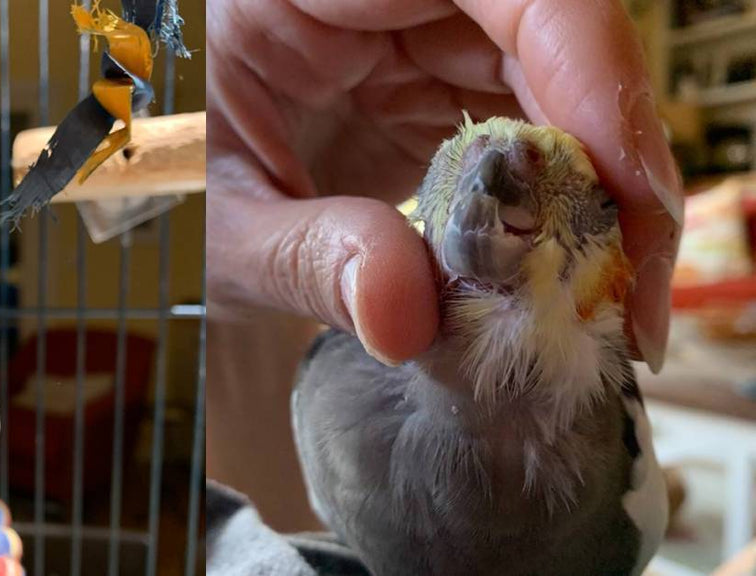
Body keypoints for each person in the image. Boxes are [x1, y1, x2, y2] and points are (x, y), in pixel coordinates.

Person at [206, 0, 682, 532]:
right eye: (444, 178)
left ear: (619, 282)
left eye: (595, 208)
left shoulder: (620, 452)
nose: (490, 180)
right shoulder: (327, 384)